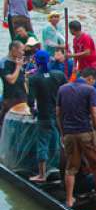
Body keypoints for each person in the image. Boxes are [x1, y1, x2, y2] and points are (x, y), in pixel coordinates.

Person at [56, 67, 96, 207]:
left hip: (69, 134)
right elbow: (94, 113)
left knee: (71, 167)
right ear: (90, 78)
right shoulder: (89, 90)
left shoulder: (63, 89)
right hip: (85, 132)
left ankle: (69, 199)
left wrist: (63, 133)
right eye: (93, 81)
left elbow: (58, 113)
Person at [27, 50, 67, 182]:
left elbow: (30, 101)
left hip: (44, 116)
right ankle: (59, 168)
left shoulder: (34, 78)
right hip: (58, 115)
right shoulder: (59, 75)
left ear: (36, 62)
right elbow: (67, 91)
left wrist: (33, 111)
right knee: (57, 141)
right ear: (49, 60)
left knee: (42, 144)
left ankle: (42, 174)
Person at [0, 41, 27, 125]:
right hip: (10, 98)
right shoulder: (4, 62)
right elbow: (11, 80)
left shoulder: (18, 60)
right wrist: (18, 66)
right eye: (21, 50)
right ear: (14, 49)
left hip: (22, 96)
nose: (23, 53)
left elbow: (23, 80)